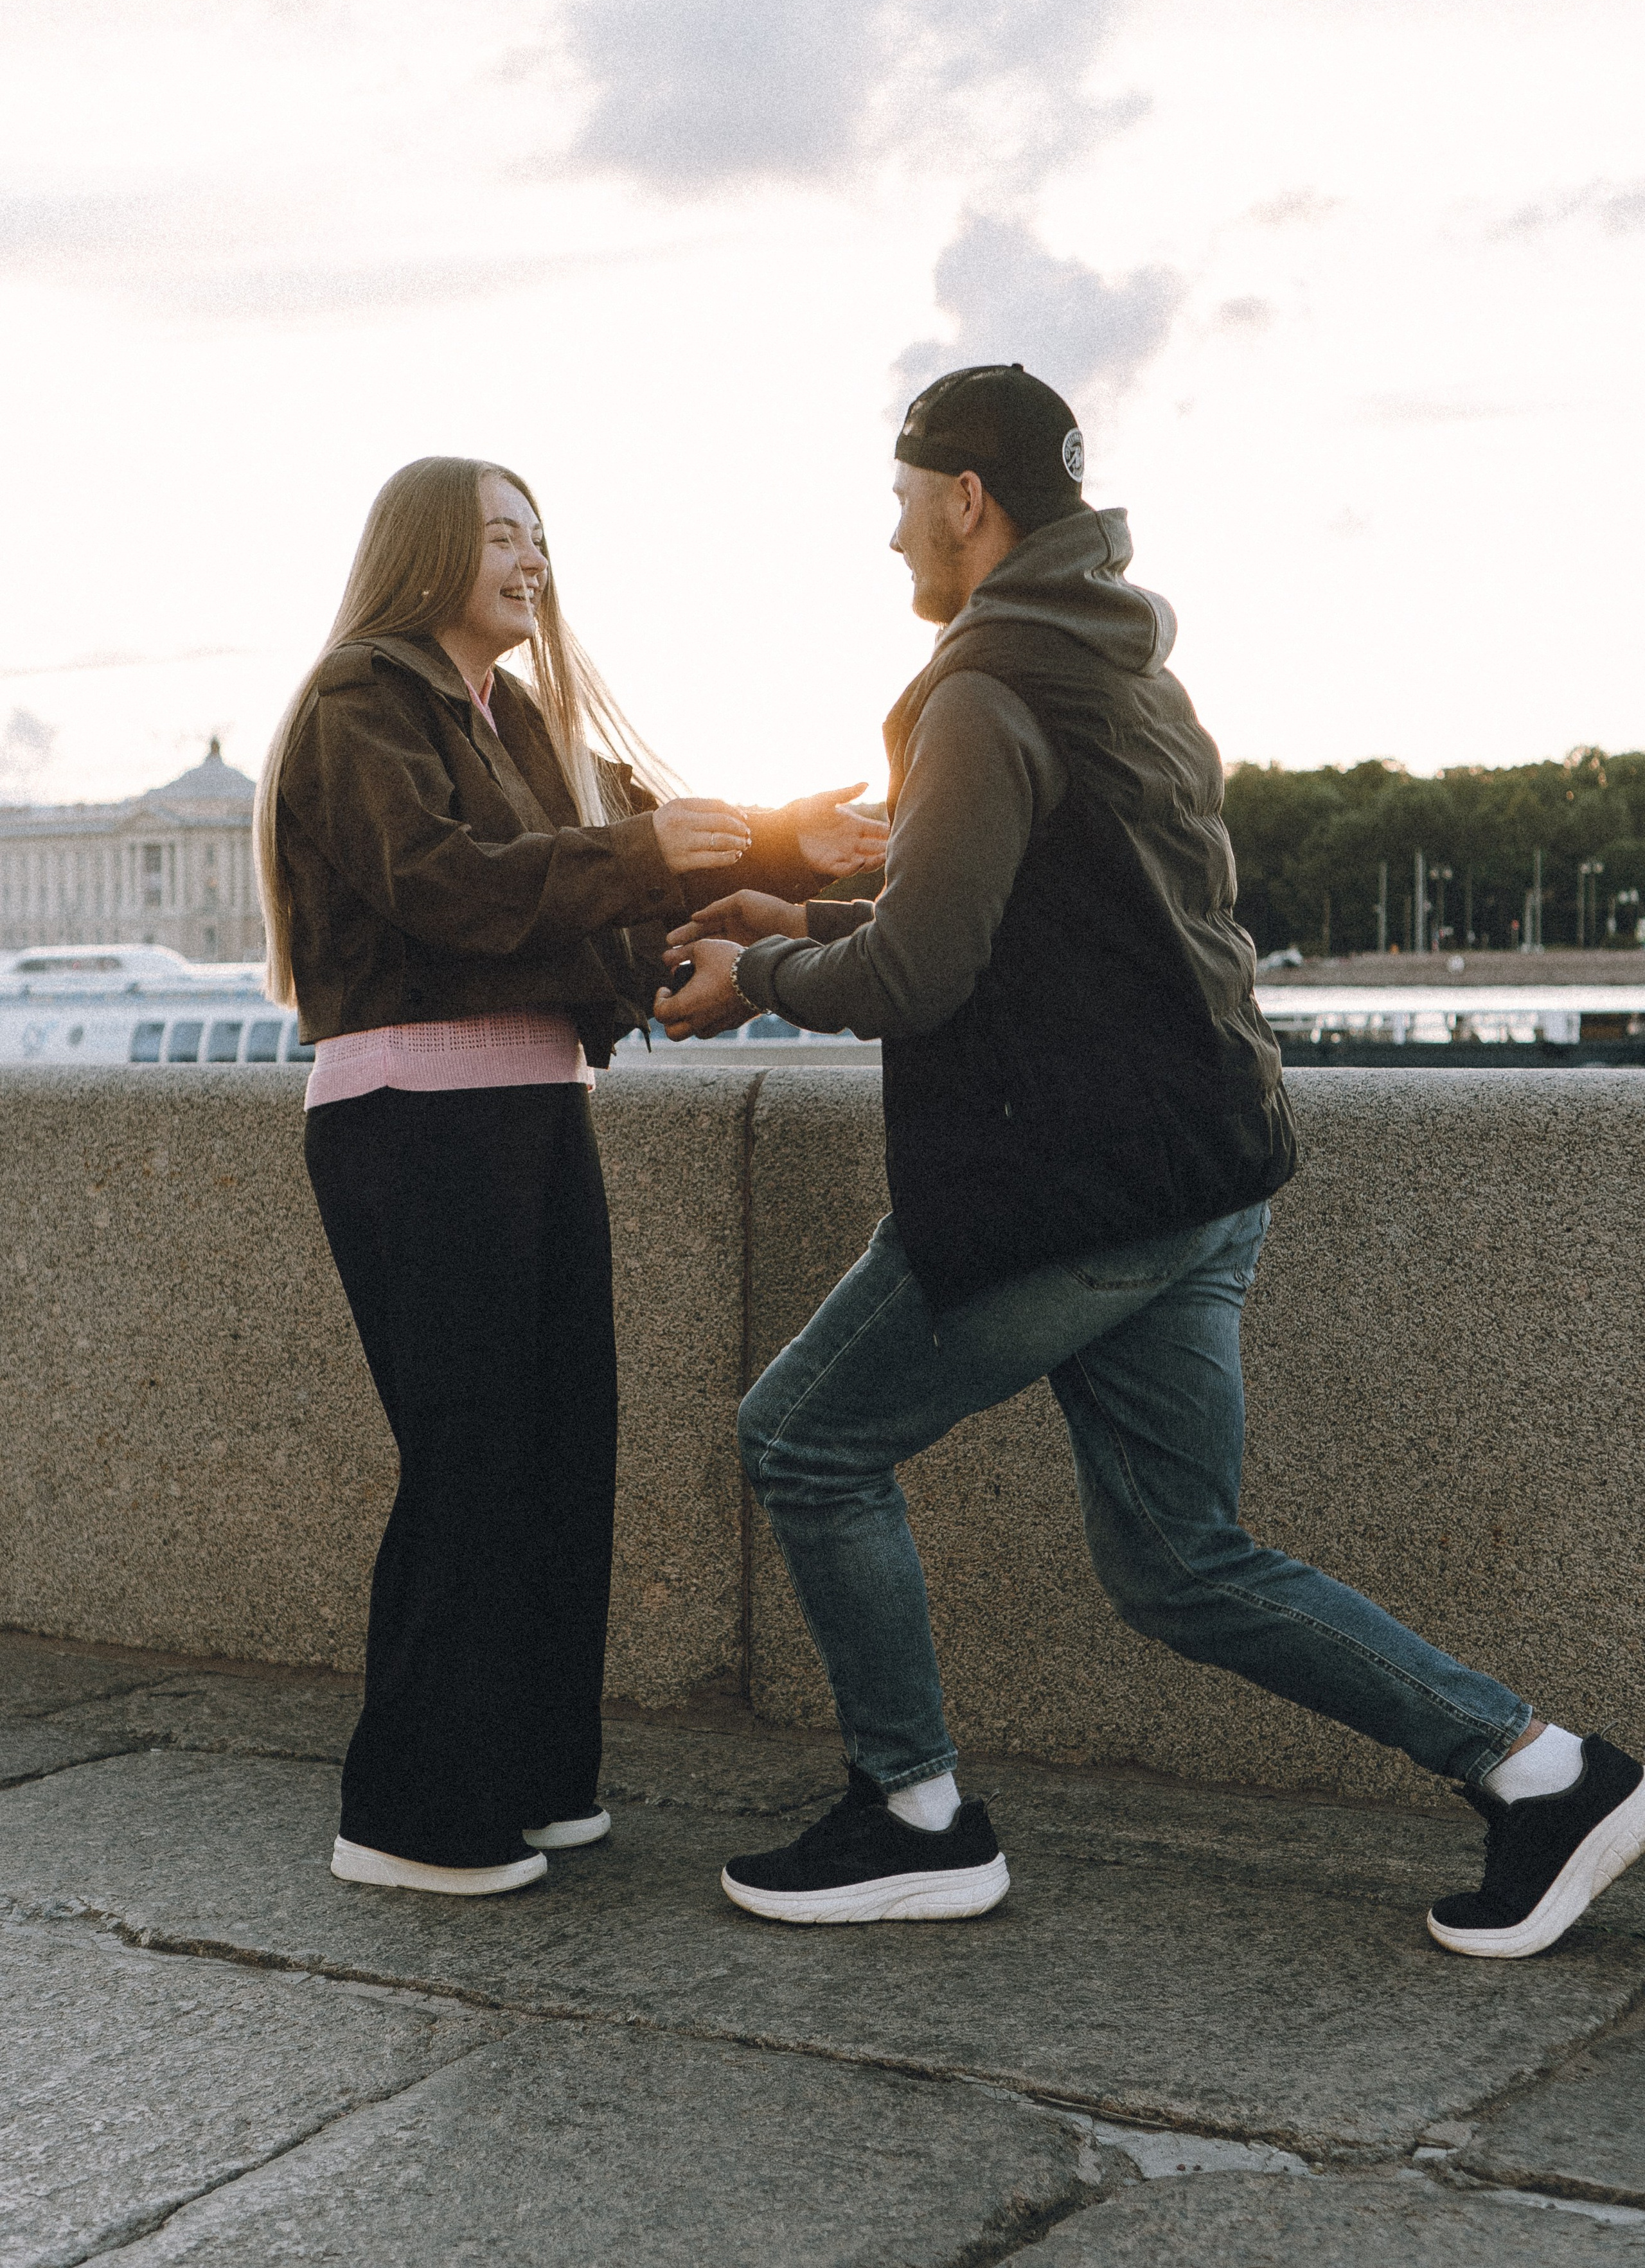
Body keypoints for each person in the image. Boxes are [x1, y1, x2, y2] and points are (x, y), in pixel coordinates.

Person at [658, 366, 1645, 1955]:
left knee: (803, 1444)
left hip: (1064, 1188)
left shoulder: (979, 686)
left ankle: (913, 1815)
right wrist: (810, 922)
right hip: (1201, 1172)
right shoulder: (1119, 665)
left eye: (902, 502)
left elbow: (920, 983)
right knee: (1183, 1561)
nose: (890, 536)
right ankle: (1542, 1775)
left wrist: (755, 979)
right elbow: (1056, 928)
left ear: (964, 500)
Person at [255, 454, 884, 1899]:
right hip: (413, 1118)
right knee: (471, 1463)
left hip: (529, 1111)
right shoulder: (363, 699)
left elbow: (613, 858)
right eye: (498, 537)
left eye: (539, 538)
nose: (530, 561)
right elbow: (456, 885)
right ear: (423, 552)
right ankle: (409, 1817)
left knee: (556, 1462)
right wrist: (649, 847)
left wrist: (792, 841)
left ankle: (533, 1781)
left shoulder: (511, 711)